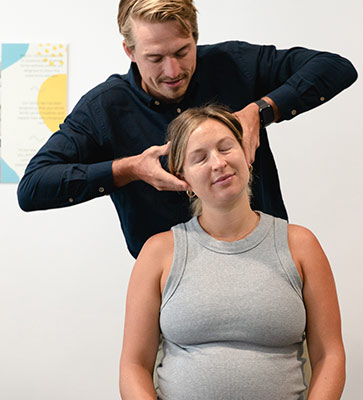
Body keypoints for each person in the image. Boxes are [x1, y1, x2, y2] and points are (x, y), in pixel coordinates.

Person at [17, 0, 358, 258]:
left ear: (195, 36)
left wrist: (261, 111)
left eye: (183, 51)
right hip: (173, 287)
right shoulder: (103, 109)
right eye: (155, 58)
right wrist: (129, 170)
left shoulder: (232, 64)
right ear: (129, 51)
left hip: (267, 261)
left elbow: (335, 67)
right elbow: (33, 187)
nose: (173, 70)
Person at [119, 104, 345, 400]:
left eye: (226, 148)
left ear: (247, 153)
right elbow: (133, 365)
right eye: (199, 158)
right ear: (181, 175)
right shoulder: (158, 253)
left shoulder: (300, 246)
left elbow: (330, 354)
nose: (218, 163)